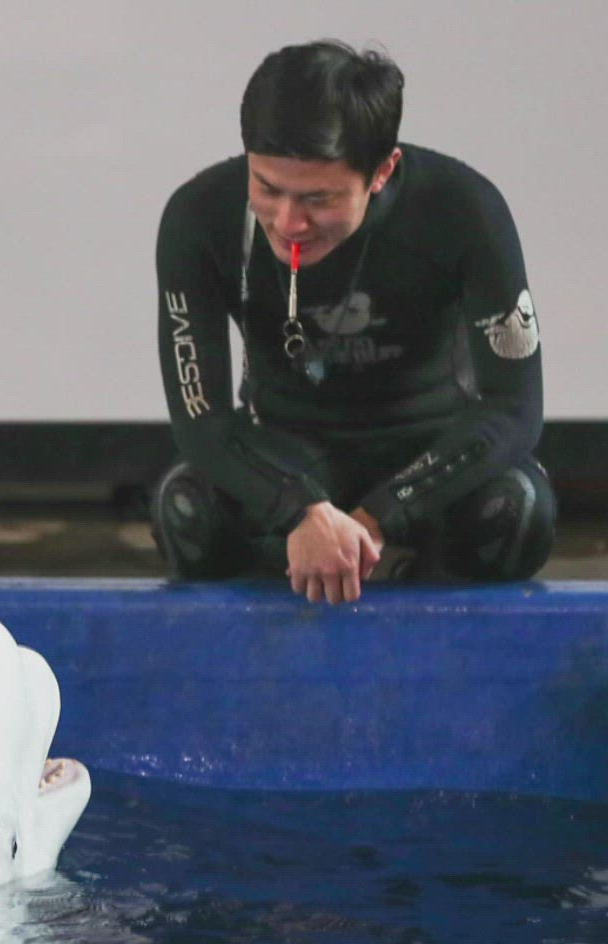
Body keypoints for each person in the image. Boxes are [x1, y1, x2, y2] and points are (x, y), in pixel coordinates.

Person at [151, 40, 554, 604]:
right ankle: (273, 640)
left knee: (515, 511)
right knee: (186, 508)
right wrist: (300, 509)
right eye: (267, 188)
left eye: (318, 199)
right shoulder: (198, 216)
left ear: (382, 172)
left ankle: (429, 631)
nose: (289, 222)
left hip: (427, 445)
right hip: (287, 445)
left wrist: (380, 516)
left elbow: (514, 409)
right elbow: (201, 422)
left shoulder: (465, 208)